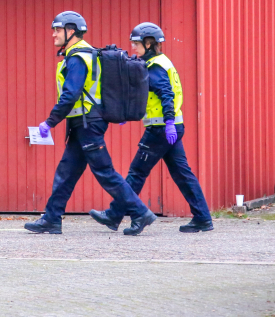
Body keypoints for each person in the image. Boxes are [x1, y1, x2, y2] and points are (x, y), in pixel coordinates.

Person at [24, 11, 157, 236]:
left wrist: (50, 121)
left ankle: (140, 212)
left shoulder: (77, 57)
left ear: (71, 31)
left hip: (88, 124)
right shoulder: (83, 54)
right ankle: (52, 219)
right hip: (81, 124)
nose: (53, 34)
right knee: (66, 173)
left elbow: (71, 93)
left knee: (105, 172)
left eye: (57, 30)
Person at [89, 22, 213, 233]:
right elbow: (146, 96)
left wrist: (169, 122)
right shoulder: (161, 62)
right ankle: (202, 218)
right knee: (183, 174)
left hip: (161, 129)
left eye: (136, 43)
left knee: (137, 172)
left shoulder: (155, 66)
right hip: (168, 127)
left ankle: (123, 215)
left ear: (149, 43)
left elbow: (166, 94)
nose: (133, 47)